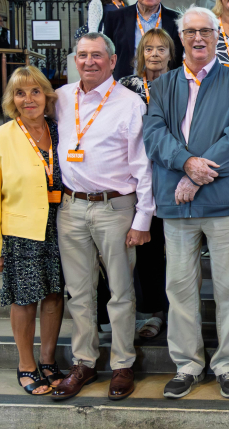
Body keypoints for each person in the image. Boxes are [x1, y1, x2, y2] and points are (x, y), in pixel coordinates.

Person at [142, 6, 229, 400]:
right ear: (181, 37)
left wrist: (195, 174)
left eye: (205, 31)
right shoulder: (162, 86)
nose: (198, 38)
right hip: (177, 203)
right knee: (180, 287)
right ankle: (188, 364)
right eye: (190, 32)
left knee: (228, 288)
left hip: (222, 201)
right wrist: (186, 164)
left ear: (216, 36)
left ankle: (226, 365)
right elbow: (154, 135)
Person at [51, 33, 154, 401]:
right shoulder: (61, 98)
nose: (89, 62)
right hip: (72, 207)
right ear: (74, 60)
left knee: (120, 291)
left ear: (113, 61)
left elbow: (142, 165)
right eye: (82, 55)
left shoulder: (129, 103)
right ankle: (85, 361)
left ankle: (123, 362)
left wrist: (143, 219)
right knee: (78, 292)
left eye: (97, 55)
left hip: (116, 207)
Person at [0, 65, 65, 396]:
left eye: (35, 91)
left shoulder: (61, 132)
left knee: (55, 295)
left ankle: (48, 361)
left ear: (47, 94)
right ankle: (26, 364)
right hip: (20, 232)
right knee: (25, 299)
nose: (28, 99)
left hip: (60, 226)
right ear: (11, 100)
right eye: (20, 93)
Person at [112, 28, 175, 337]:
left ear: (170, 53)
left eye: (161, 49)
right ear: (140, 54)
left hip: (169, 174)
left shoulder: (179, 84)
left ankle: (164, 309)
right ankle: (141, 311)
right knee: (139, 246)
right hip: (134, 177)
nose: (154, 54)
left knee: (163, 247)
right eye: (148, 48)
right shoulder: (125, 87)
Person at [101, 0, 184, 80]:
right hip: (126, 90)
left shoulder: (178, 20)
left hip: (166, 89)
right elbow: (106, 57)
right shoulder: (115, 18)